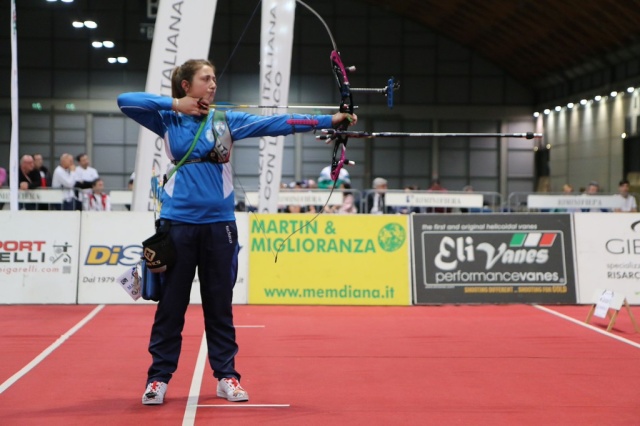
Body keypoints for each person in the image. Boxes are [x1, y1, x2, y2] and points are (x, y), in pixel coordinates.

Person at [117, 58, 357, 406]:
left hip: (219, 227)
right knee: (170, 306)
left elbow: (280, 123)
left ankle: (226, 376)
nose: (213, 84)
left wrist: (329, 119)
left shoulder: (225, 119)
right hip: (178, 226)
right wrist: (174, 104)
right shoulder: (166, 118)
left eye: (214, 78)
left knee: (219, 306)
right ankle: (158, 378)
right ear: (186, 85)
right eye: (205, 79)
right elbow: (125, 100)